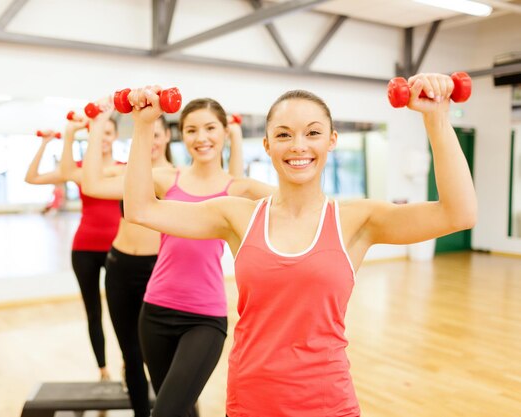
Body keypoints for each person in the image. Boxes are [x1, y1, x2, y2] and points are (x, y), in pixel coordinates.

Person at [121, 75, 477, 417]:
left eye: (313, 133)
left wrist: (437, 118)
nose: (298, 146)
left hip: (327, 402)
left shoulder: (357, 220)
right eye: (284, 134)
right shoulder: (237, 216)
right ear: (267, 145)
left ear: (332, 140)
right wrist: (143, 125)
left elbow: (458, 214)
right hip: (251, 399)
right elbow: (141, 209)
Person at [82, 96, 273, 417]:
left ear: (224, 132)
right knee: (181, 410)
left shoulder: (240, 189)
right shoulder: (166, 178)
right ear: (181, 135)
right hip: (155, 312)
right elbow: (93, 183)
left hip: (204, 319)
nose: (201, 138)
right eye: (191, 129)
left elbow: (303, 205)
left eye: (210, 128)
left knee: (166, 412)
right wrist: (99, 122)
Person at [25, 120, 121, 381]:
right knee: (93, 312)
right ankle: (103, 369)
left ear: (115, 136)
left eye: (107, 132)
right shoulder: (79, 170)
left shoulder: (125, 168)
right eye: (97, 132)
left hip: (119, 249)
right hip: (84, 248)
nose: (102, 137)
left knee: (123, 313)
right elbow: (31, 177)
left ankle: (128, 362)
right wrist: (45, 144)